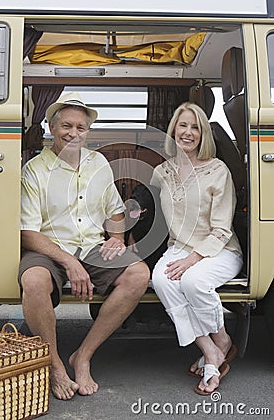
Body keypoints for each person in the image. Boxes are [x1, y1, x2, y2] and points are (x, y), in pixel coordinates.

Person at [19, 92, 150, 400]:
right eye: (66, 126)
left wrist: (117, 238)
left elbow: (115, 212)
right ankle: (54, 366)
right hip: (47, 248)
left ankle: (83, 356)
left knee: (139, 275)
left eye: (81, 127)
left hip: (92, 247)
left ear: (88, 131)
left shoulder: (99, 163)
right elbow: (27, 232)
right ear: (52, 127)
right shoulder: (35, 170)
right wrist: (69, 261)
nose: (73, 133)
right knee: (33, 280)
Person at [150, 102, 243, 395]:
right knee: (161, 280)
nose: (188, 133)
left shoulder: (218, 170)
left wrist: (192, 259)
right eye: (183, 125)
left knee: (193, 282)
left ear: (203, 134)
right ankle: (212, 348)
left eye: (195, 127)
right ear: (173, 130)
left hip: (220, 249)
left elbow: (221, 229)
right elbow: (149, 209)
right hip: (179, 247)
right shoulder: (161, 171)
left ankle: (222, 341)